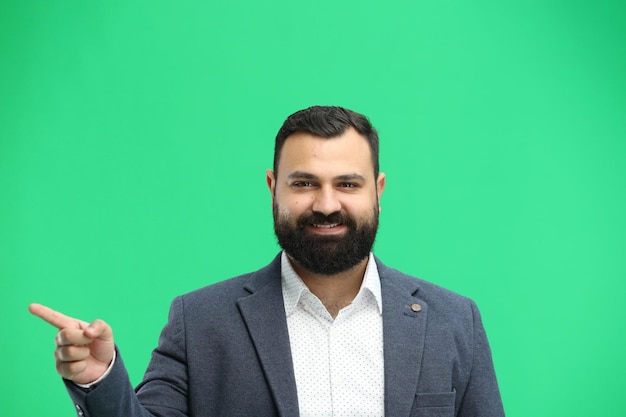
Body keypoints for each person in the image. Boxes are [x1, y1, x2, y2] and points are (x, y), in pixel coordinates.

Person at [30, 106, 505, 417]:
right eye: (303, 183)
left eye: (347, 183)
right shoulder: (199, 322)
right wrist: (101, 378)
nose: (325, 204)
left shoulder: (454, 321)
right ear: (272, 188)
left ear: (377, 191)